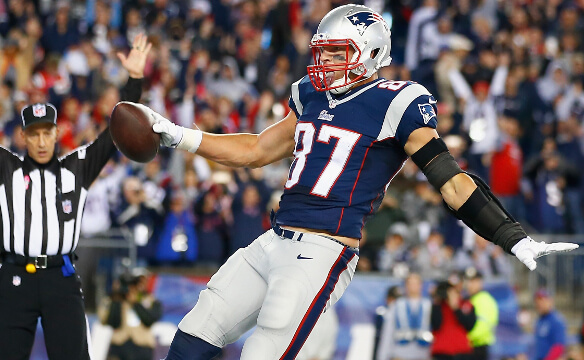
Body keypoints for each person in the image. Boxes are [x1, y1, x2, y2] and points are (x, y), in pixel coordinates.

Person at [146, 5, 578, 359]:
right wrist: (178, 135)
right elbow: (256, 149)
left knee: (262, 352)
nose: (325, 63)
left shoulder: (397, 102)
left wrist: (511, 236)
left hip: (322, 252)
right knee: (195, 332)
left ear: (370, 53)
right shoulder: (311, 94)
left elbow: (451, 182)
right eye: (323, 52)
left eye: (337, 53)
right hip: (272, 240)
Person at [0, 29, 150, 360]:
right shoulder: (5, 167)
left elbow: (116, 132)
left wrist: (135, 81)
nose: (41, 142)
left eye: (47, 134)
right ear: (24, 136)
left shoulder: (78, 168)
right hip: (15, 277)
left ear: (57, 133)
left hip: (62, 277)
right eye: (34, 134)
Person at [98, 270, 162, 360]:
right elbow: (112, 323)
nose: (132, 287)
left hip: (142, 347)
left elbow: (149, 320)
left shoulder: (150, 300)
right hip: (119, 345)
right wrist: (116, 298)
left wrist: (135, 303)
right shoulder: (113, 300)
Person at [376, 273, 432, 360]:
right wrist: (384, 356)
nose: (413, 286)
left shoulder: (429, 305)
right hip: (400, 353)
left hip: (423, 352)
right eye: (410, 283)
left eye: (416, 283)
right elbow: (388, 332)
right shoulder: (396, 305)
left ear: (421, 285)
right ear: (406, 286)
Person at [430, 281, 475, 360]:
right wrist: (437, 299)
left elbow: (469, 325)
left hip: (462, 351)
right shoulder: (438, 306)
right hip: (442, 352)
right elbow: (436, 325)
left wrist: (456, 308)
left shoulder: (465, 305)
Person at [464, 268, 498, 360]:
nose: (469, 285)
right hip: (470, 347)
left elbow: (482, 327)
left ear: (480, 282)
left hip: (479, 347)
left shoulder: (484, 300)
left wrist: (463, 338)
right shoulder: (470, 299)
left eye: (473, 281)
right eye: (468, 281)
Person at [533, 289, 567, 360]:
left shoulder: (556, 320)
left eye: (543, 301)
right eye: (537, 301)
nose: (539, 304)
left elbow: (558, 347)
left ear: (550, 301)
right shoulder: (539, 320)